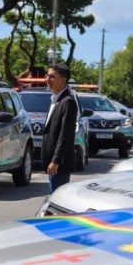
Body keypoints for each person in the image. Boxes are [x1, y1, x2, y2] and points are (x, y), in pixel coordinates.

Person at [42, 63, 78, 193]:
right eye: (47, 76)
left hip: (59, 165)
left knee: (56, 200)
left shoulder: (67, 102)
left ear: (63, 80)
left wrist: (56, 161)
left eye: (52, 77)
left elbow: (65, 135)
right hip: (52, 162)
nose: (47, 79)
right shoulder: (55, 100)